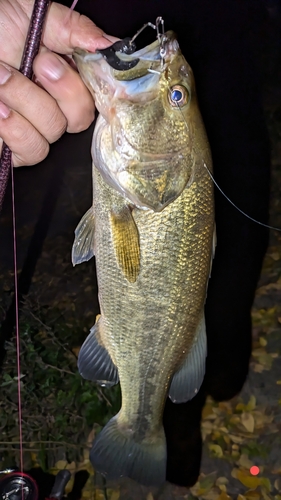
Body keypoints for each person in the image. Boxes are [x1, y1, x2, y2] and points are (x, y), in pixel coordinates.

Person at [0, 0, 271, 487]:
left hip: (158, 317)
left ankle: (148, 424)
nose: (169, 91)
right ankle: (162, 429)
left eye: (175, 98)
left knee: (217, 316)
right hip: (143, 262)